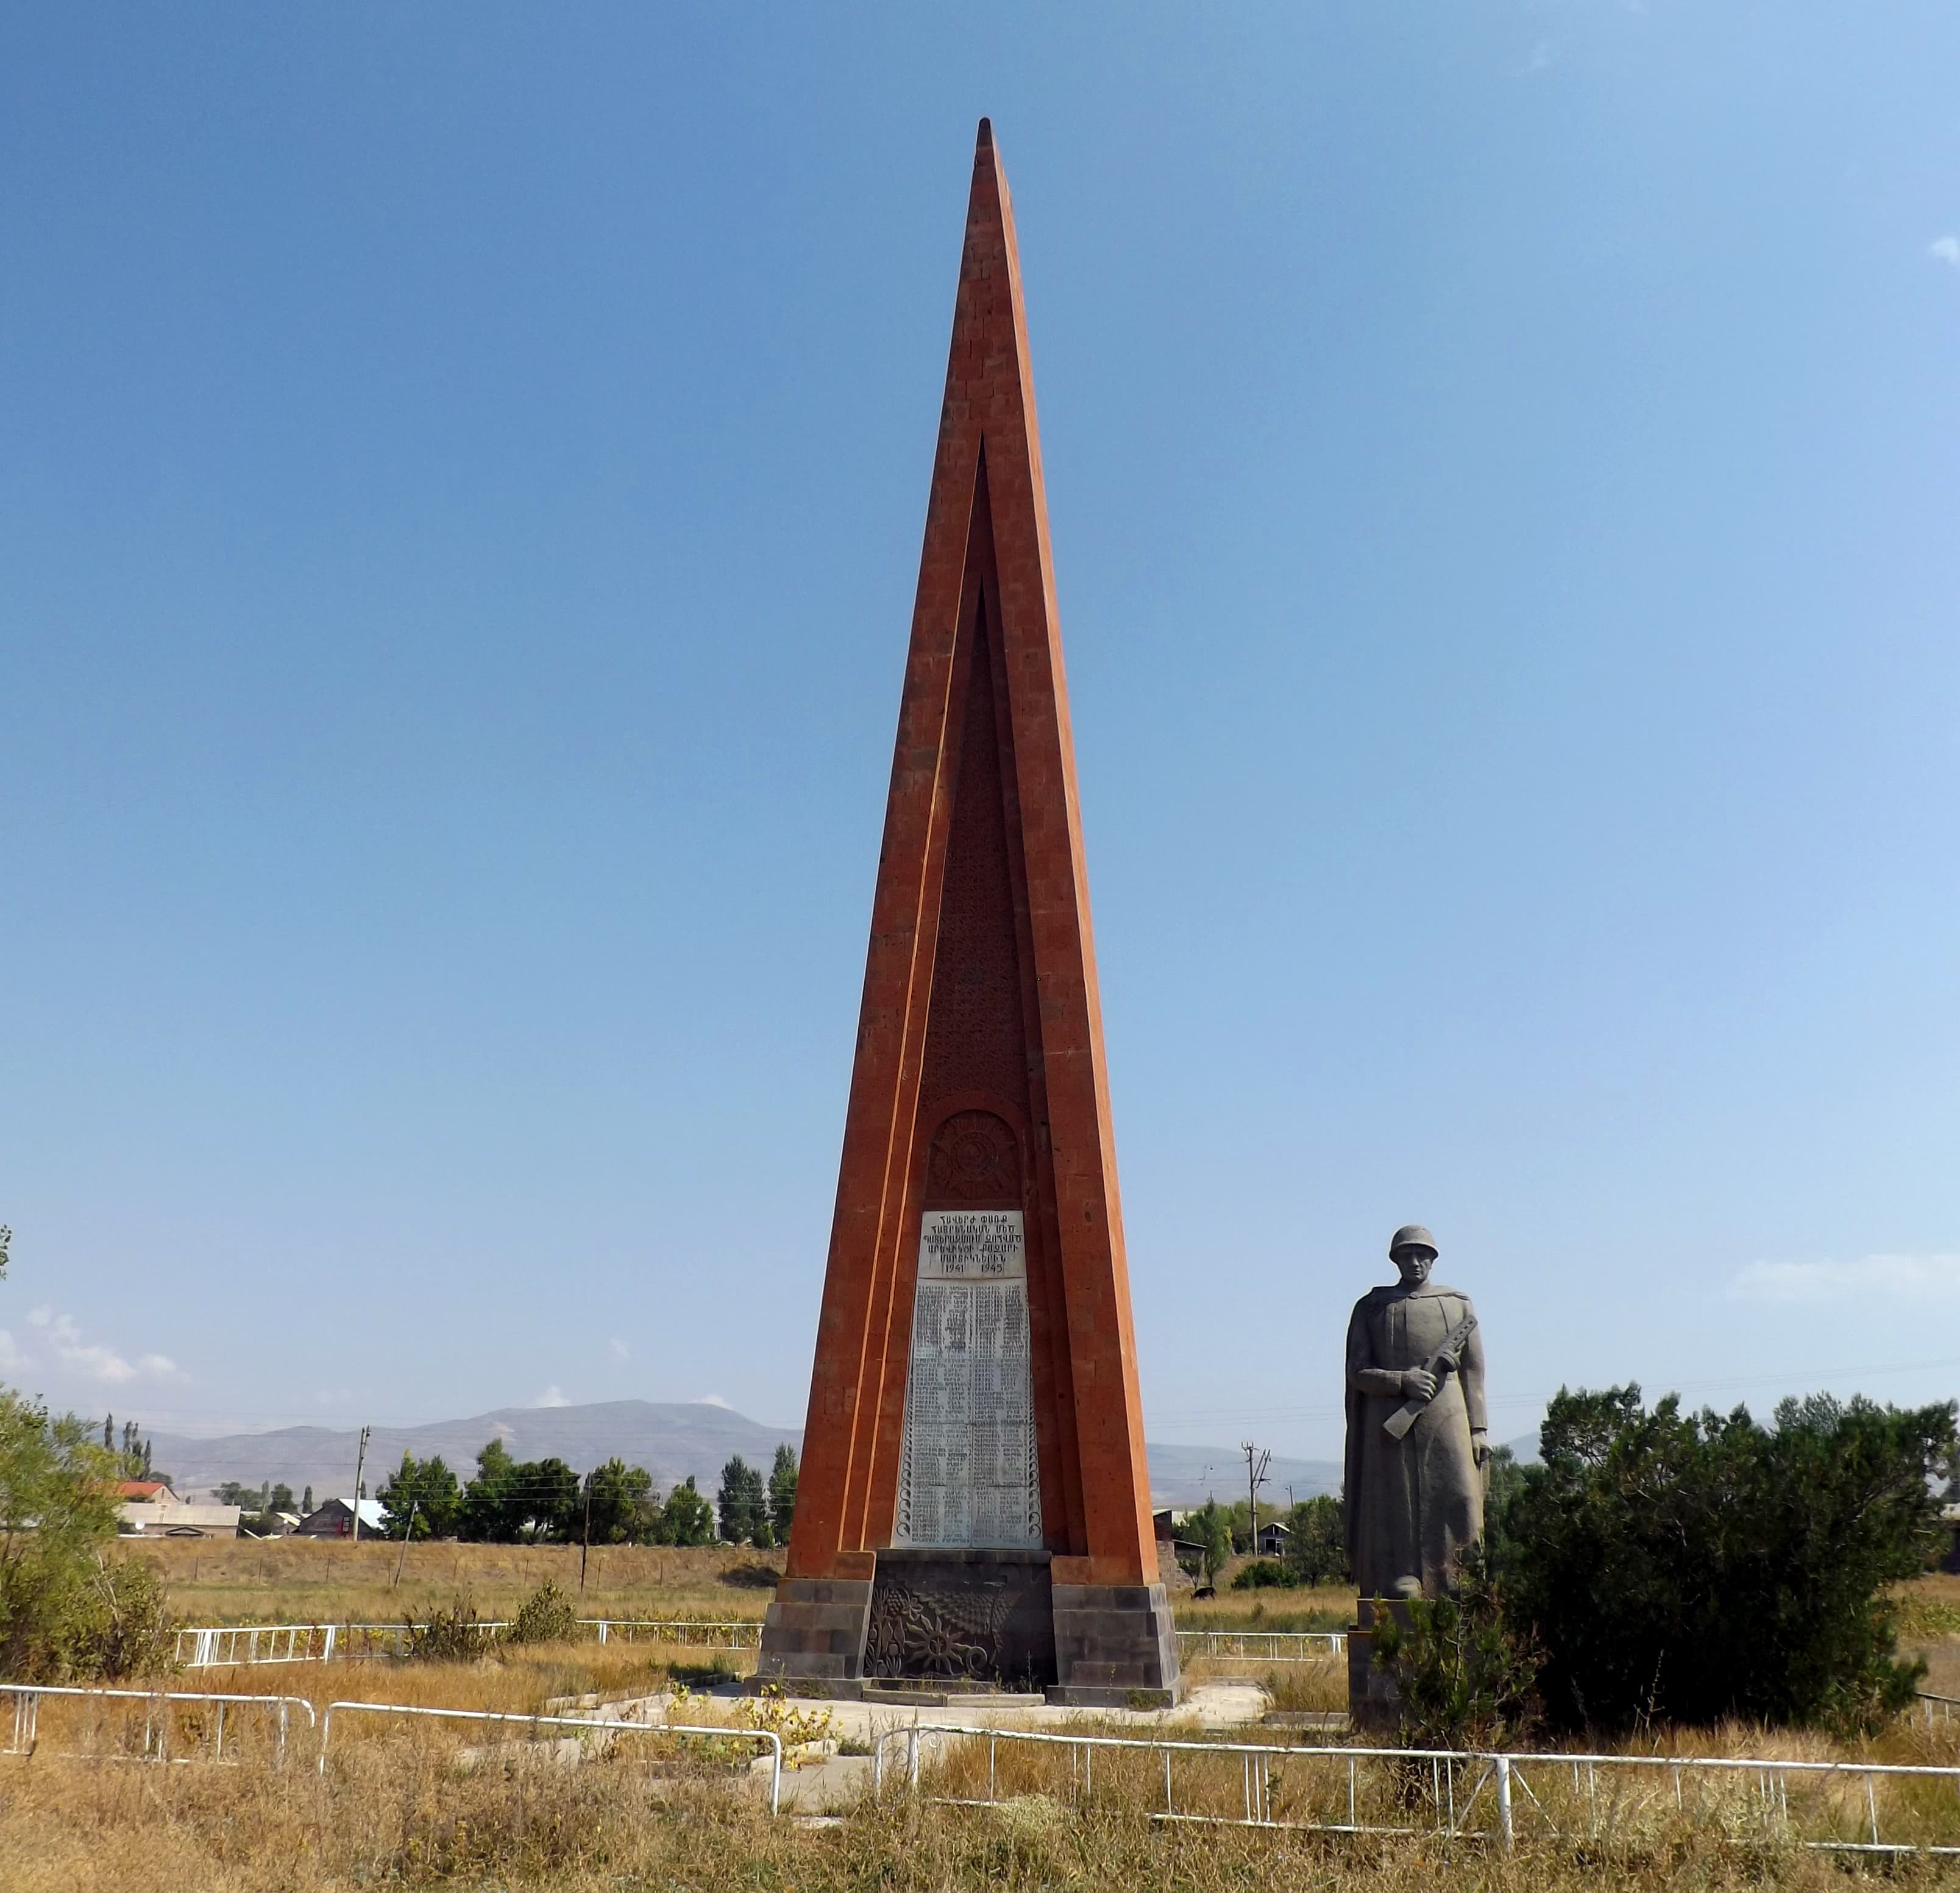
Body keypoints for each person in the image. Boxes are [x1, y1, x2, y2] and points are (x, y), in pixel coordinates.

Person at [1343, 1224, 1487, 1599]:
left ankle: (1460, 1576)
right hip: (1392, 1417)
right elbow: (1357, 1372)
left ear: (1434, 1259)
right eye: (1407, 1255)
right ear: (1395, 1260)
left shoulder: (1458, 1304)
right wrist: (1402, 1381)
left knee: (1460, 1493)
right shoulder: (1372, 1308)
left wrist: (1479, 1429)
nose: (1415, 1262)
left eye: (1422, 1254)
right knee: (1397, 1498)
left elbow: (1473, 1369)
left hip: (1448, 1410)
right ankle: (1402, 1575)